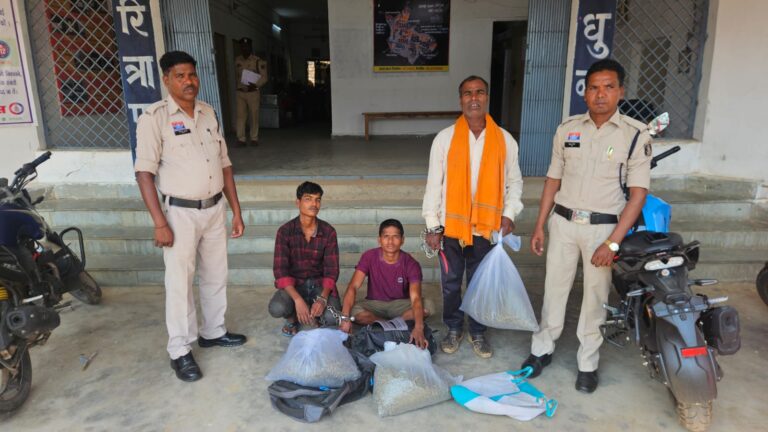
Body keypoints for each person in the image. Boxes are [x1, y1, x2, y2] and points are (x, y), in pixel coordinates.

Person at [521, 59, 652, 393]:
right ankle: (542, 349)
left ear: (620, 91)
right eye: (594, 87)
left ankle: (587, 362)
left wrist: (613, 243)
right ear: (585, 92)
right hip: (564, 223)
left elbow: (638, 195)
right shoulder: (567, 129)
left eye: (608, 87)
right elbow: (553, 180)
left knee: (595, 297)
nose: (600, 94)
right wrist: (540, 225)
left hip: (602, 229)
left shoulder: (635, 135)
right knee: (554, 289)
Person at [134, 51, 246, 383]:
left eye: (192, 75)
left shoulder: (208, 113)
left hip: (214, 208)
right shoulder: (154, 118)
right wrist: (159, 222)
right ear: (166, 79)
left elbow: (225, 165)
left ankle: (213, 331)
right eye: (180, 76)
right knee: (180, 282)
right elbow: (144, 174)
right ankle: (180, 350)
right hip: (179, 213)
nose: (188, 81)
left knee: (215, 274)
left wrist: (236, 210)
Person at [422, 75, 524, 359]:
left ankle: (478, 331)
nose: (474, 98)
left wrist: (509, 213)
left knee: (482, 283)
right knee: (451, 283)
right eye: (468, 93)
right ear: (460, 100)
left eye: (479, 92)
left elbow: (514, 182)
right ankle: (454, 328)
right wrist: (433, 225)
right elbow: (434, 184)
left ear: (487, 97)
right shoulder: (445, 139)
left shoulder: (504, 140)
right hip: (451, 227)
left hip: (487, 227)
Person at [339, 219, 433, 349]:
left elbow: (415, 298)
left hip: (400, 304)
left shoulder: (411, 264)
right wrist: (344, 318)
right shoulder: (369, 256)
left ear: (403, 240)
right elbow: (353, 287)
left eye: (395, 237)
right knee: (353, 311)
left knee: (428, 306)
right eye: (386, 236)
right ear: (379, 240)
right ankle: (392, 324)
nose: (390, 241)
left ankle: (384, 325)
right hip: (375, 304)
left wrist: (418, 327)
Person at [268, 181, 341, 336]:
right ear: (298, 202)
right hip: (295, 285)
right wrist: (298, 300)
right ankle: (292, 318)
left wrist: (322, 299)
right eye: (308, 199)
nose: (314, 204)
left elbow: (332, 271)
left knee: (332, 317)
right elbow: (280, 271)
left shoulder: (329, 231)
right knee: (277, 308)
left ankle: (316, 314)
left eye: (317, 199)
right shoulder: (285, 231)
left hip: (319, 286)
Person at [234, 37, 268, 147]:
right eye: (242, 46)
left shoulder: (257, 61)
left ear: (250, 47)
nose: (244, 48)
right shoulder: (237, 60)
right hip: (240, 93)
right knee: (240, 116)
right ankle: (241, 139)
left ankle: (254, 138)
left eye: (247, 46)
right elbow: (237, 76)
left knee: (254, 116)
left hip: (253, 92)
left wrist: (256, 85)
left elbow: (264, 77)